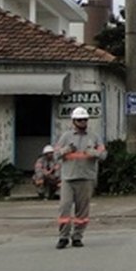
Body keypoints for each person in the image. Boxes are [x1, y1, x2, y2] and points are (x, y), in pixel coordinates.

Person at [52, 106, 107, 249]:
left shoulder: (94, 136)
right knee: (64, 208)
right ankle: (63, 237)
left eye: (84, 120)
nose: (82, 122)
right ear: (74, 121)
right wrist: (66, 150)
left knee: (82, 211)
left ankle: (77, 236)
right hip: (68, 178)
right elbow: (55, 155)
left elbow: (103, 155)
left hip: (86, 177)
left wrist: (93, 152)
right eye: (79, 120)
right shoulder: (66, 137)